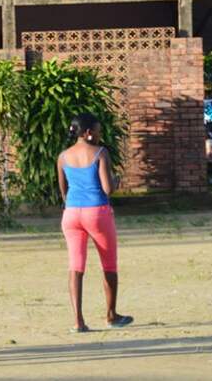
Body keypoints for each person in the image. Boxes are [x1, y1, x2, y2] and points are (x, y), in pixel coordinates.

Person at [57, 113, 132, 333]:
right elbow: (108, 188)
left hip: (71, 214)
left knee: (75, 267)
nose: (100, 134)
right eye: (98, 130)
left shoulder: (63, 157)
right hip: (97, 213)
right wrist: (117, 181)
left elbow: (63, 190)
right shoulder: (100, 153)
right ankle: (111, 315)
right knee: (109, 265)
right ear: (88, 133)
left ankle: (78, 321)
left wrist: (73, 205)